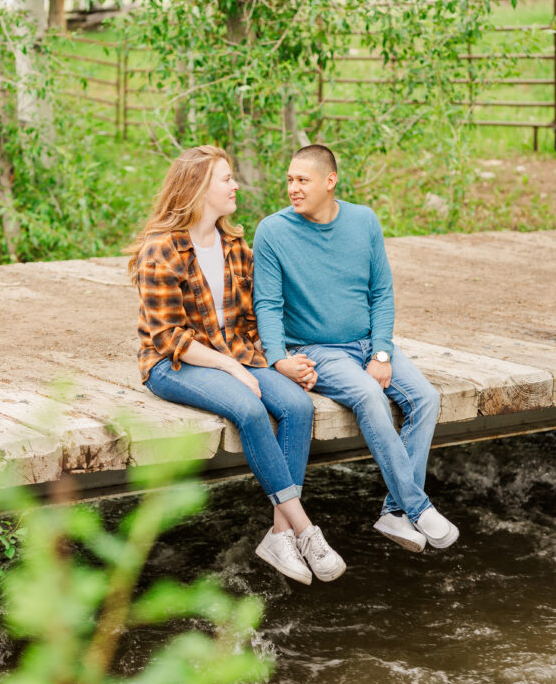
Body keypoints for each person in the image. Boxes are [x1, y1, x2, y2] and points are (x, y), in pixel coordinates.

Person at [128, 144, 346, 585]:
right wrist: (233, 369)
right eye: (226, 179)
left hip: (236, 353)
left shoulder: (235, 246)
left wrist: (282, 363)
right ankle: (305, 529)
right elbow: (169, 337)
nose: (235, 186)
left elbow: (251, 320)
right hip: (174, 364)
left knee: (297, 406)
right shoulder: (161, 249)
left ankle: (280, 533)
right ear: (198, 188)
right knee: (249, 409)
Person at [252, 143, 459, 554]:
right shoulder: (273, 231)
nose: (293, 188)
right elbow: (267, 305)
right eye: (290, 180)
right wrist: (278, 359)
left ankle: (395, 512)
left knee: (426, 398)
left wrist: (381, 353)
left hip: (367, 343)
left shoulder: (364, 221)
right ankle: (417, 507)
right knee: (369, 395)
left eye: (302, 180)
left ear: (330, 181)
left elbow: (381, 292)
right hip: (318, 350)